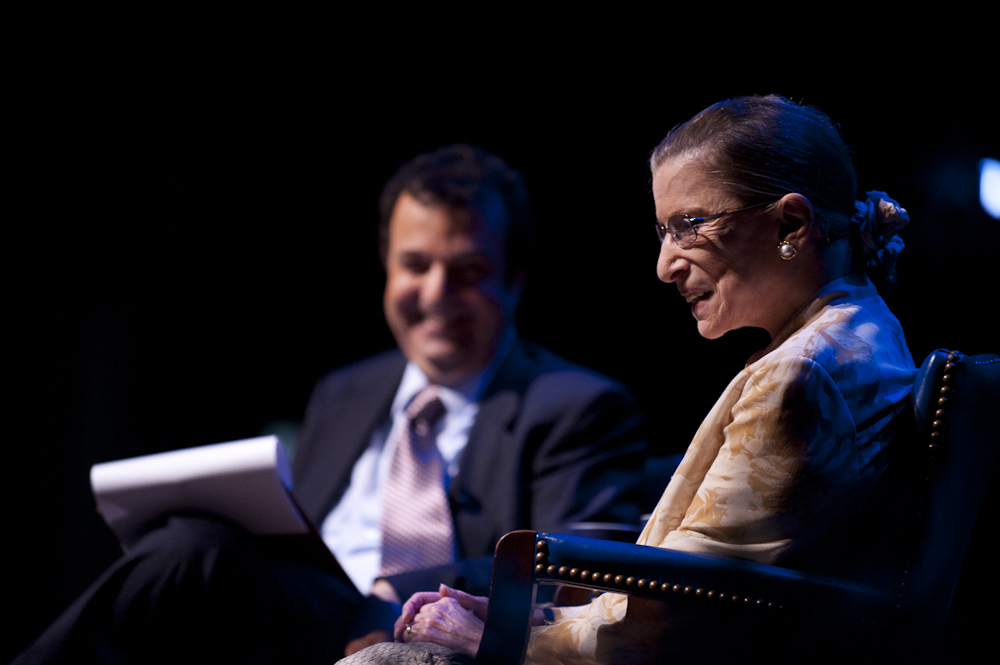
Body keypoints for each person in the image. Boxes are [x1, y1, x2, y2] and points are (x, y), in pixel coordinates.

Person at [14, 145, 647, 664]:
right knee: (190, 544)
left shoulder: (577, 405)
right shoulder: (345, 391)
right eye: (415, 265)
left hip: (407, 614)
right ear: (386, 267)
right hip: (302, 613)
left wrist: (392, 589)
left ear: (513, 278)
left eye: (468, 271)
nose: (436, 294)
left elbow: (577, 559)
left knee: (193, 555)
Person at [346, 96, 917, 664]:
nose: (665, 264)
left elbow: (688, 611)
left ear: (790, 223)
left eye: (689, 226)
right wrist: (520, 613)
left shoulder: (804, 373)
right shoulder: (858, 334)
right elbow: (691, 591)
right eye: (663, 230)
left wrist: (499, 638)